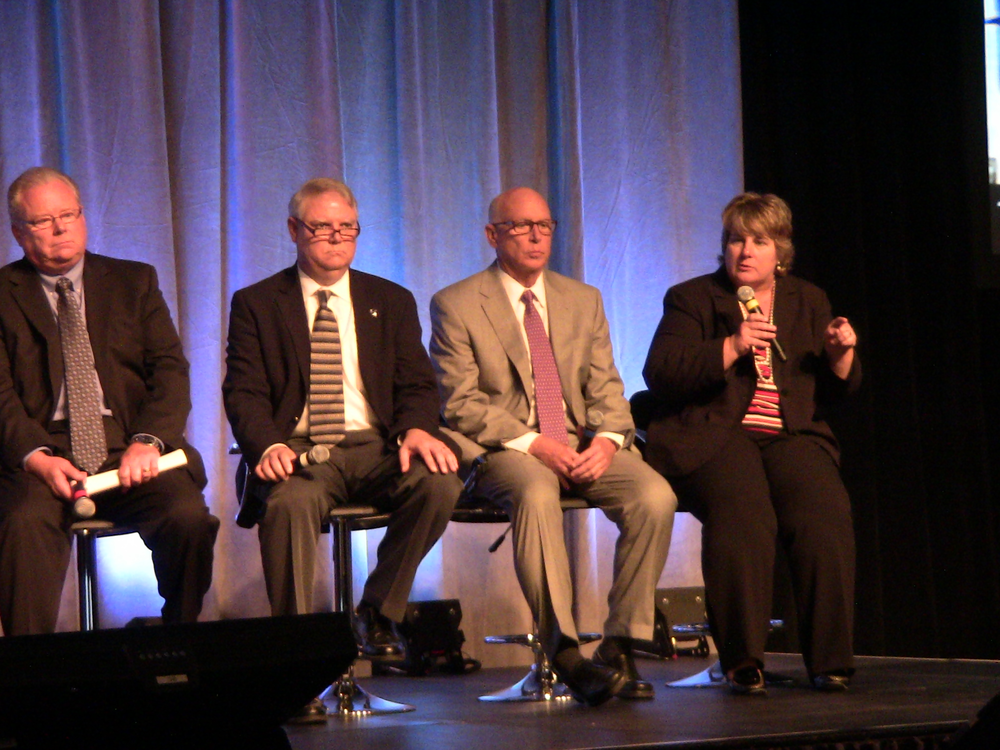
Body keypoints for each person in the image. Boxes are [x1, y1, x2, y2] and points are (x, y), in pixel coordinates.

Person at [430, 187, 676, 706]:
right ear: (492, 235)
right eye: (521, 226)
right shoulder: (455, 303)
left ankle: (620, 645)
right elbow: (461, 403)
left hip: (582, 442)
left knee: (655, 496)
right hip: (505, 448)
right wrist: (536, 444)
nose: (536, 236)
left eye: (544, 225)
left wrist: (608, 442)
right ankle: (564, 652)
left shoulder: (581, 299)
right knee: (537, 490)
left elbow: (607, 387)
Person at [223, 178, 463, 661]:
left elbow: (417, 384)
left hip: (378, 449)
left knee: (440, 483)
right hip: (302, 452)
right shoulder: (258, 302)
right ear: (294, 230)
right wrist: (267, 445)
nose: (336, 238)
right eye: (321, 228)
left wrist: (417, 428)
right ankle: (298, 654)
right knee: (289, 504)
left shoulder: (390, 299)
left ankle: (377, 612)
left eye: (347, 228)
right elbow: (243, 390)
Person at [642, 192, 860, 695]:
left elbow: (824, 393)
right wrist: (732, 345)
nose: (745, 251)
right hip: (716, 432)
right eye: (736, 240)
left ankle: (830, 661)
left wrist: (839, 356)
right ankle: (742, 659)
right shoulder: (692, 298)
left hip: (789, 433)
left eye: (759, 241)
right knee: (745, 513)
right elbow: (661, 371)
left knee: (822, 513)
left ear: (780, 251)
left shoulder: (808, 299)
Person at [0, 166, 219, 636]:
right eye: (43, 221)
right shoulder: (3, 294)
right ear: (19, 232)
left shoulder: (132, 281)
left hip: (129, 447)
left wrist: (148, 441)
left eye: (69, 215)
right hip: (45, 454)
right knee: (23, 526)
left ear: (83, 218)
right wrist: (36, 457)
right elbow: (1, 396)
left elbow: (170, 370)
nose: (60, 229)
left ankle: (178, 638)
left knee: (187, 518)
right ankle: (29, 674)